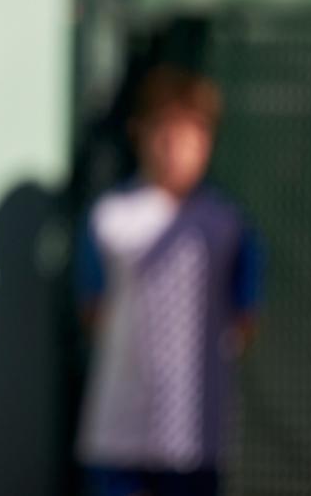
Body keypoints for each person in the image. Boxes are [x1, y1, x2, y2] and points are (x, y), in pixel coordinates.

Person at [75, 66, 262, 496]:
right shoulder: (110, 218)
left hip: (197, 433)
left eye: (191, 135)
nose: (175, 148)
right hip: (117, 428)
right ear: (140, 133)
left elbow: (246, 317)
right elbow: (92, 309)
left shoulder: (228, 223)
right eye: (166, 133)